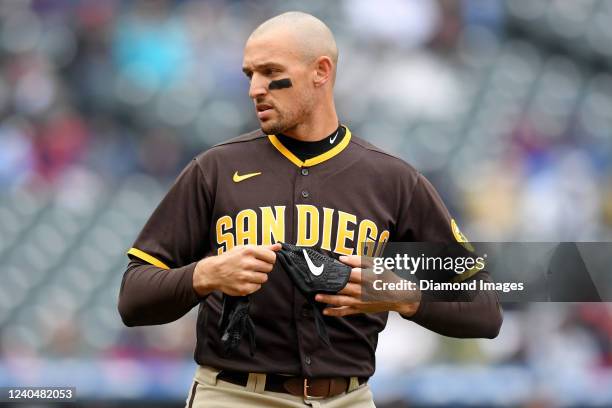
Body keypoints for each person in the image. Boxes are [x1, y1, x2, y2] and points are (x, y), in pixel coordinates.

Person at [118, 11, 502, 408]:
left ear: (321, 71)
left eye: (270, 72)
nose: (255, 88)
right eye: (249, 74)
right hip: (234, 395)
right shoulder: (215, 169)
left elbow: (485, 309)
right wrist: (204, 274)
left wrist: (400, 294)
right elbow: (133, 297)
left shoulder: (393, 180)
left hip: (348, 398)